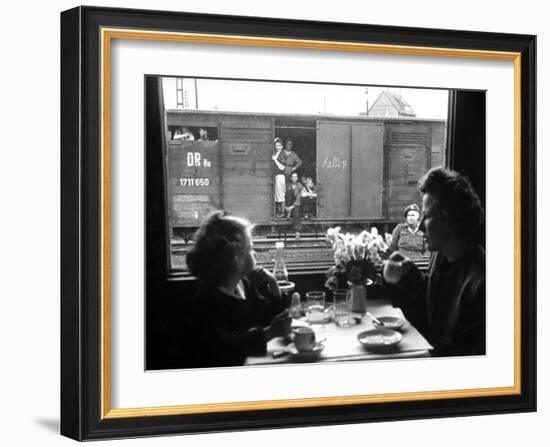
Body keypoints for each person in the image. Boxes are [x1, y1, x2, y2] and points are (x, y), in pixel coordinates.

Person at [384, 167, 485, 357]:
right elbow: (435, 313)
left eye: (428, 216)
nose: (421, 225)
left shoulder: (481, 284)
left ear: (449, 219)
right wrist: (408, 273)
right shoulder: (441, 256)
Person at [185, 211, 291, 367]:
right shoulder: (209, 299)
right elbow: (222, 348)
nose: (254, 253)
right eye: (250, 248)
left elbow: (265, 315)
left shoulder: (242, 285)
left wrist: (273, 284)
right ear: (234, 256)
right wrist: (269, 333)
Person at [271, 137, 287, 218]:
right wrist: (274, 140)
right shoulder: (275, 153)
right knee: (277, 195)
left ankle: (282, 213)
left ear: (282, 146)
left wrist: (275, 160)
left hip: (280, 176)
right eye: (276, 145)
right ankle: (279, 212)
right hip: (276, 176)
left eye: (279, 145)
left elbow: (282, 167)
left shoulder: (283, 154)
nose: (278, 147)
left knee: (281, 195)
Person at [285, 172, 303, 239]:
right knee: (289, 193)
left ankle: (297, 231)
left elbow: (299, 198)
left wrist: (291, 207)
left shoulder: (300, 186)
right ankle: (288, 211)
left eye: (295, 177)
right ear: (290, 178)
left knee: (296, 212)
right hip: (288, 205)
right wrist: (286, 206)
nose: (294, 178)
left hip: (296, 205)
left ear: (297, 178)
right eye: (293, 177)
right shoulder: (287, 185)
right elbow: (284, 196)